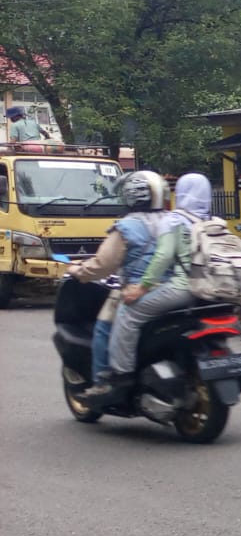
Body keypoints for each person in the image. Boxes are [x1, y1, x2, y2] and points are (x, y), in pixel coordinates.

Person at [76, 172, 202, 403]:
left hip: (142, 288)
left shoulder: (126, 226)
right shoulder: (177, 219)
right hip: (180, 287)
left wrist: (79, 271)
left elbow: (103, 264)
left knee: (104, 327)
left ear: (130, 195)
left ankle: (106, 381)